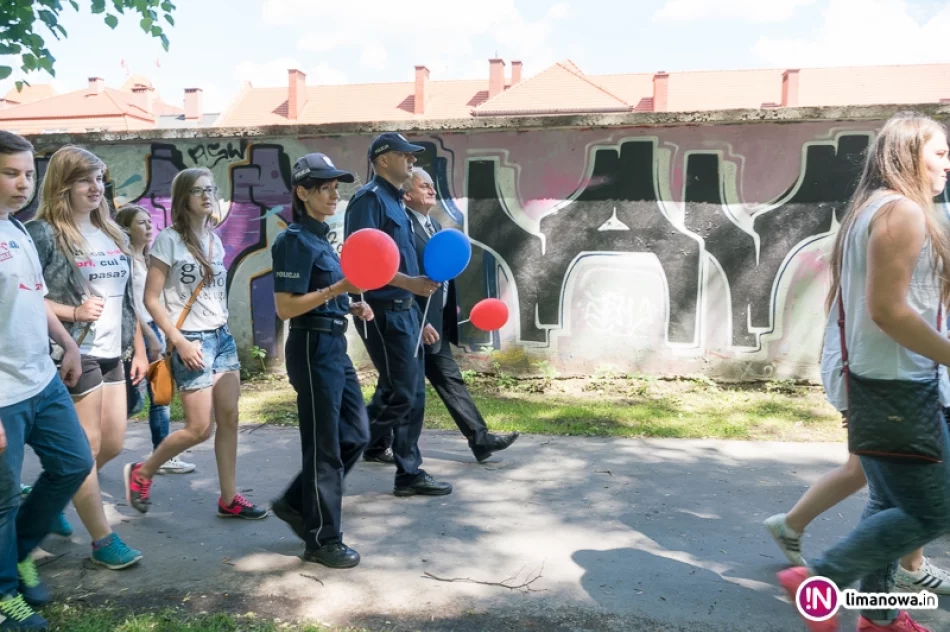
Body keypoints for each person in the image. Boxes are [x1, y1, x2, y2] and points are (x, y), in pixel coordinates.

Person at [777, 112, 950, 632]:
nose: (948, 161)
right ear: (907, 154)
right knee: (935, 512)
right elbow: (887, 310)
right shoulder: (903, 213)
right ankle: (821, 579)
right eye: (939, 151)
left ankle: (879, 618)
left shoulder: (871, 209)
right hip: (896, 388)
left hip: (879, 382)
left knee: (885, 502)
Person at [26, 145, 145, 571]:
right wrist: (73, 312)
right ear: (63, 184)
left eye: (98, 179)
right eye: (84, 179)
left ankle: (52, 494)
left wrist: (140, 349)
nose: (95, 187)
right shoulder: (42, 234)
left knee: (112, 443)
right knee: (87, 444)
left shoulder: (112, 231)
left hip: (116, 349)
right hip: (75, 350)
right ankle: (103, 540)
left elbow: (127, 296)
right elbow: (26, 296)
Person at [124, 168, 267, 520]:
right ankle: (142, 471)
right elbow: (152, 298)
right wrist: (179, 342)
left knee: (230, 418)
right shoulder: (168, 240)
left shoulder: (215, 239)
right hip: (191, 341)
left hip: (221, 338)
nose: (207, 196)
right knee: (200, 428)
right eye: (198, 190)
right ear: (183, 197)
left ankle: (229, 498)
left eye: (211, 189)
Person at [0, 131, 94, 630]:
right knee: (1, 499)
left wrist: (70, 343)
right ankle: (3, 596)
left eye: (28, 175)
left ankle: (15, 551)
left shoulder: (16, 231)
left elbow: (36, 298)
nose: (23, 184)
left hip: (41, 378)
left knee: (73, 462)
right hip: (1, 398)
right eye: (10, 173)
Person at [269, 152, 373, 568]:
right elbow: (286, 308)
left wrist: (350, 303)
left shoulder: (320, 240)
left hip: (334, 345)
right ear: (302, 192)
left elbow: (325, 294)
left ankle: (297, 503)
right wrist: (337, 292)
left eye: (335, 187)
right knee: (325, 447)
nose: (335, 194)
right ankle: (321, 539)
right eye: (326, 187)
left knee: (357, 434)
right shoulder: (293, 240)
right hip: (311, 349)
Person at [344, 132, 450, 497]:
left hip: (405, 311)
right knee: (402, 393)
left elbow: (402, 262)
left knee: (410, 392)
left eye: (411, 155)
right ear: (381, 159)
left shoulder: (397, 203)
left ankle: (408, 471)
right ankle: (348, 443)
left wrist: (418, 308)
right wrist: (410, 286)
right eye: (404, 155)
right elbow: (361, 261)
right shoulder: (368, 201)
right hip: (381, 311)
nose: (410, 160)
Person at [399, 167, 519, 462]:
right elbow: (397, 281)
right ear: (406, 194)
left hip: (436, 324)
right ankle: (369, 442)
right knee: (397, 393)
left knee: (450, 380)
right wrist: (420, 320)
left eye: (432, 185)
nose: (431, 190)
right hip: (413, 324)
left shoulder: (436, 229)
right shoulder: (401, 229)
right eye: (424, 186)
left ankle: (480, 440)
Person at [115, 206, 195, 475]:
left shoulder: (151, 260)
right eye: (142, 223)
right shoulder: (124, 261)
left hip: (157, 332)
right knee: (128, 401)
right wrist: (150, 337)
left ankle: (162, 455)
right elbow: (130, 305)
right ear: (126, 229)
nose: (149, 227)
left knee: (160, 394)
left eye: (150, 222)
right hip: (135, 334)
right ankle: (94, 447)